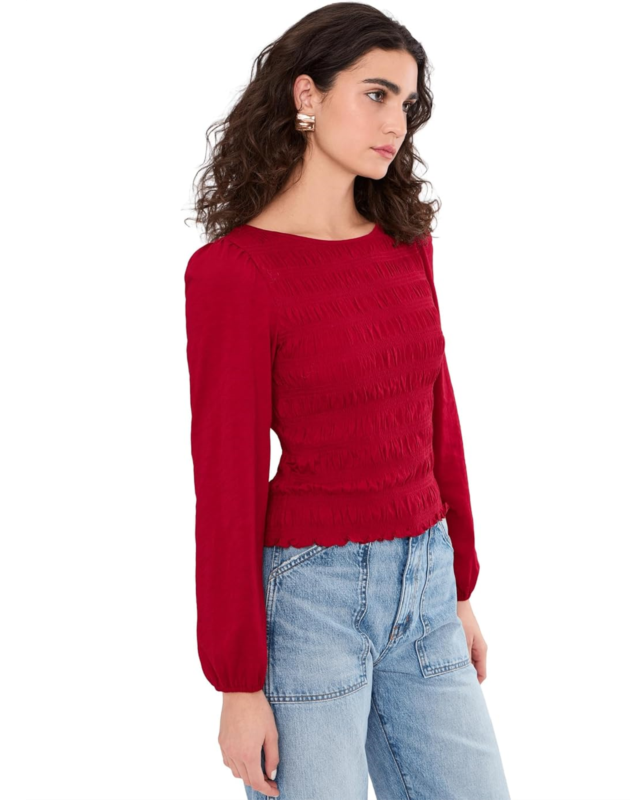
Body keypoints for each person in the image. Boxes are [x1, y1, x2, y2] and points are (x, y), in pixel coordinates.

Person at [183, 4, 511, 798]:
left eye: (407, 102)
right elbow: (226, 482)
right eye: (375, 94)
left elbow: (435, 419)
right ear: (307, 95)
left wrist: (459, 590)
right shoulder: (235, 273)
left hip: (426, 581)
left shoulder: (405, 246)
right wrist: (237, 682)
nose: (396, 121)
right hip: (312, 600)